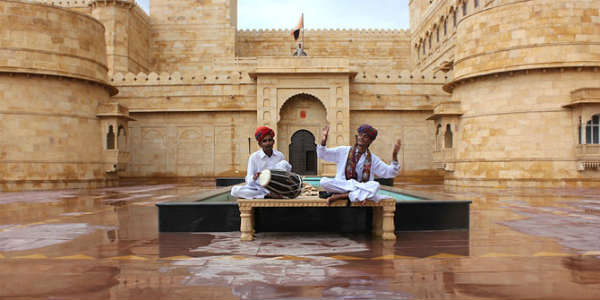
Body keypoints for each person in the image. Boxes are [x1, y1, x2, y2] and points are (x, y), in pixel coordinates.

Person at [317, 124, 402, 205]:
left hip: (355, 188)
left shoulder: (373, 159)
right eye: (360, 135)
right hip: (345, 185)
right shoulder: (344, 151)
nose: (361, 138)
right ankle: (356, 194)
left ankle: (342, 196)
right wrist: (324, 140)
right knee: (324, 181)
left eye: (365, 136)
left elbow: (390, 172)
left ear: (370, 141)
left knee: (375, 185)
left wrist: (394, 156)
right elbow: (323, 154)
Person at [231, 126, 292, 199]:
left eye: (270, 140)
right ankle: (266, 196)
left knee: (284, 164)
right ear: (260, 144)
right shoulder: (254, 157)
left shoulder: (279, 155)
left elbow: (286, 173)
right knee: (235, 191)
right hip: (260, 189)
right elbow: (248, 180)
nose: (268, 143)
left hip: (276, 188)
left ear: (273, 142)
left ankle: (275, 193)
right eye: (264, 141)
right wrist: (254, 177)